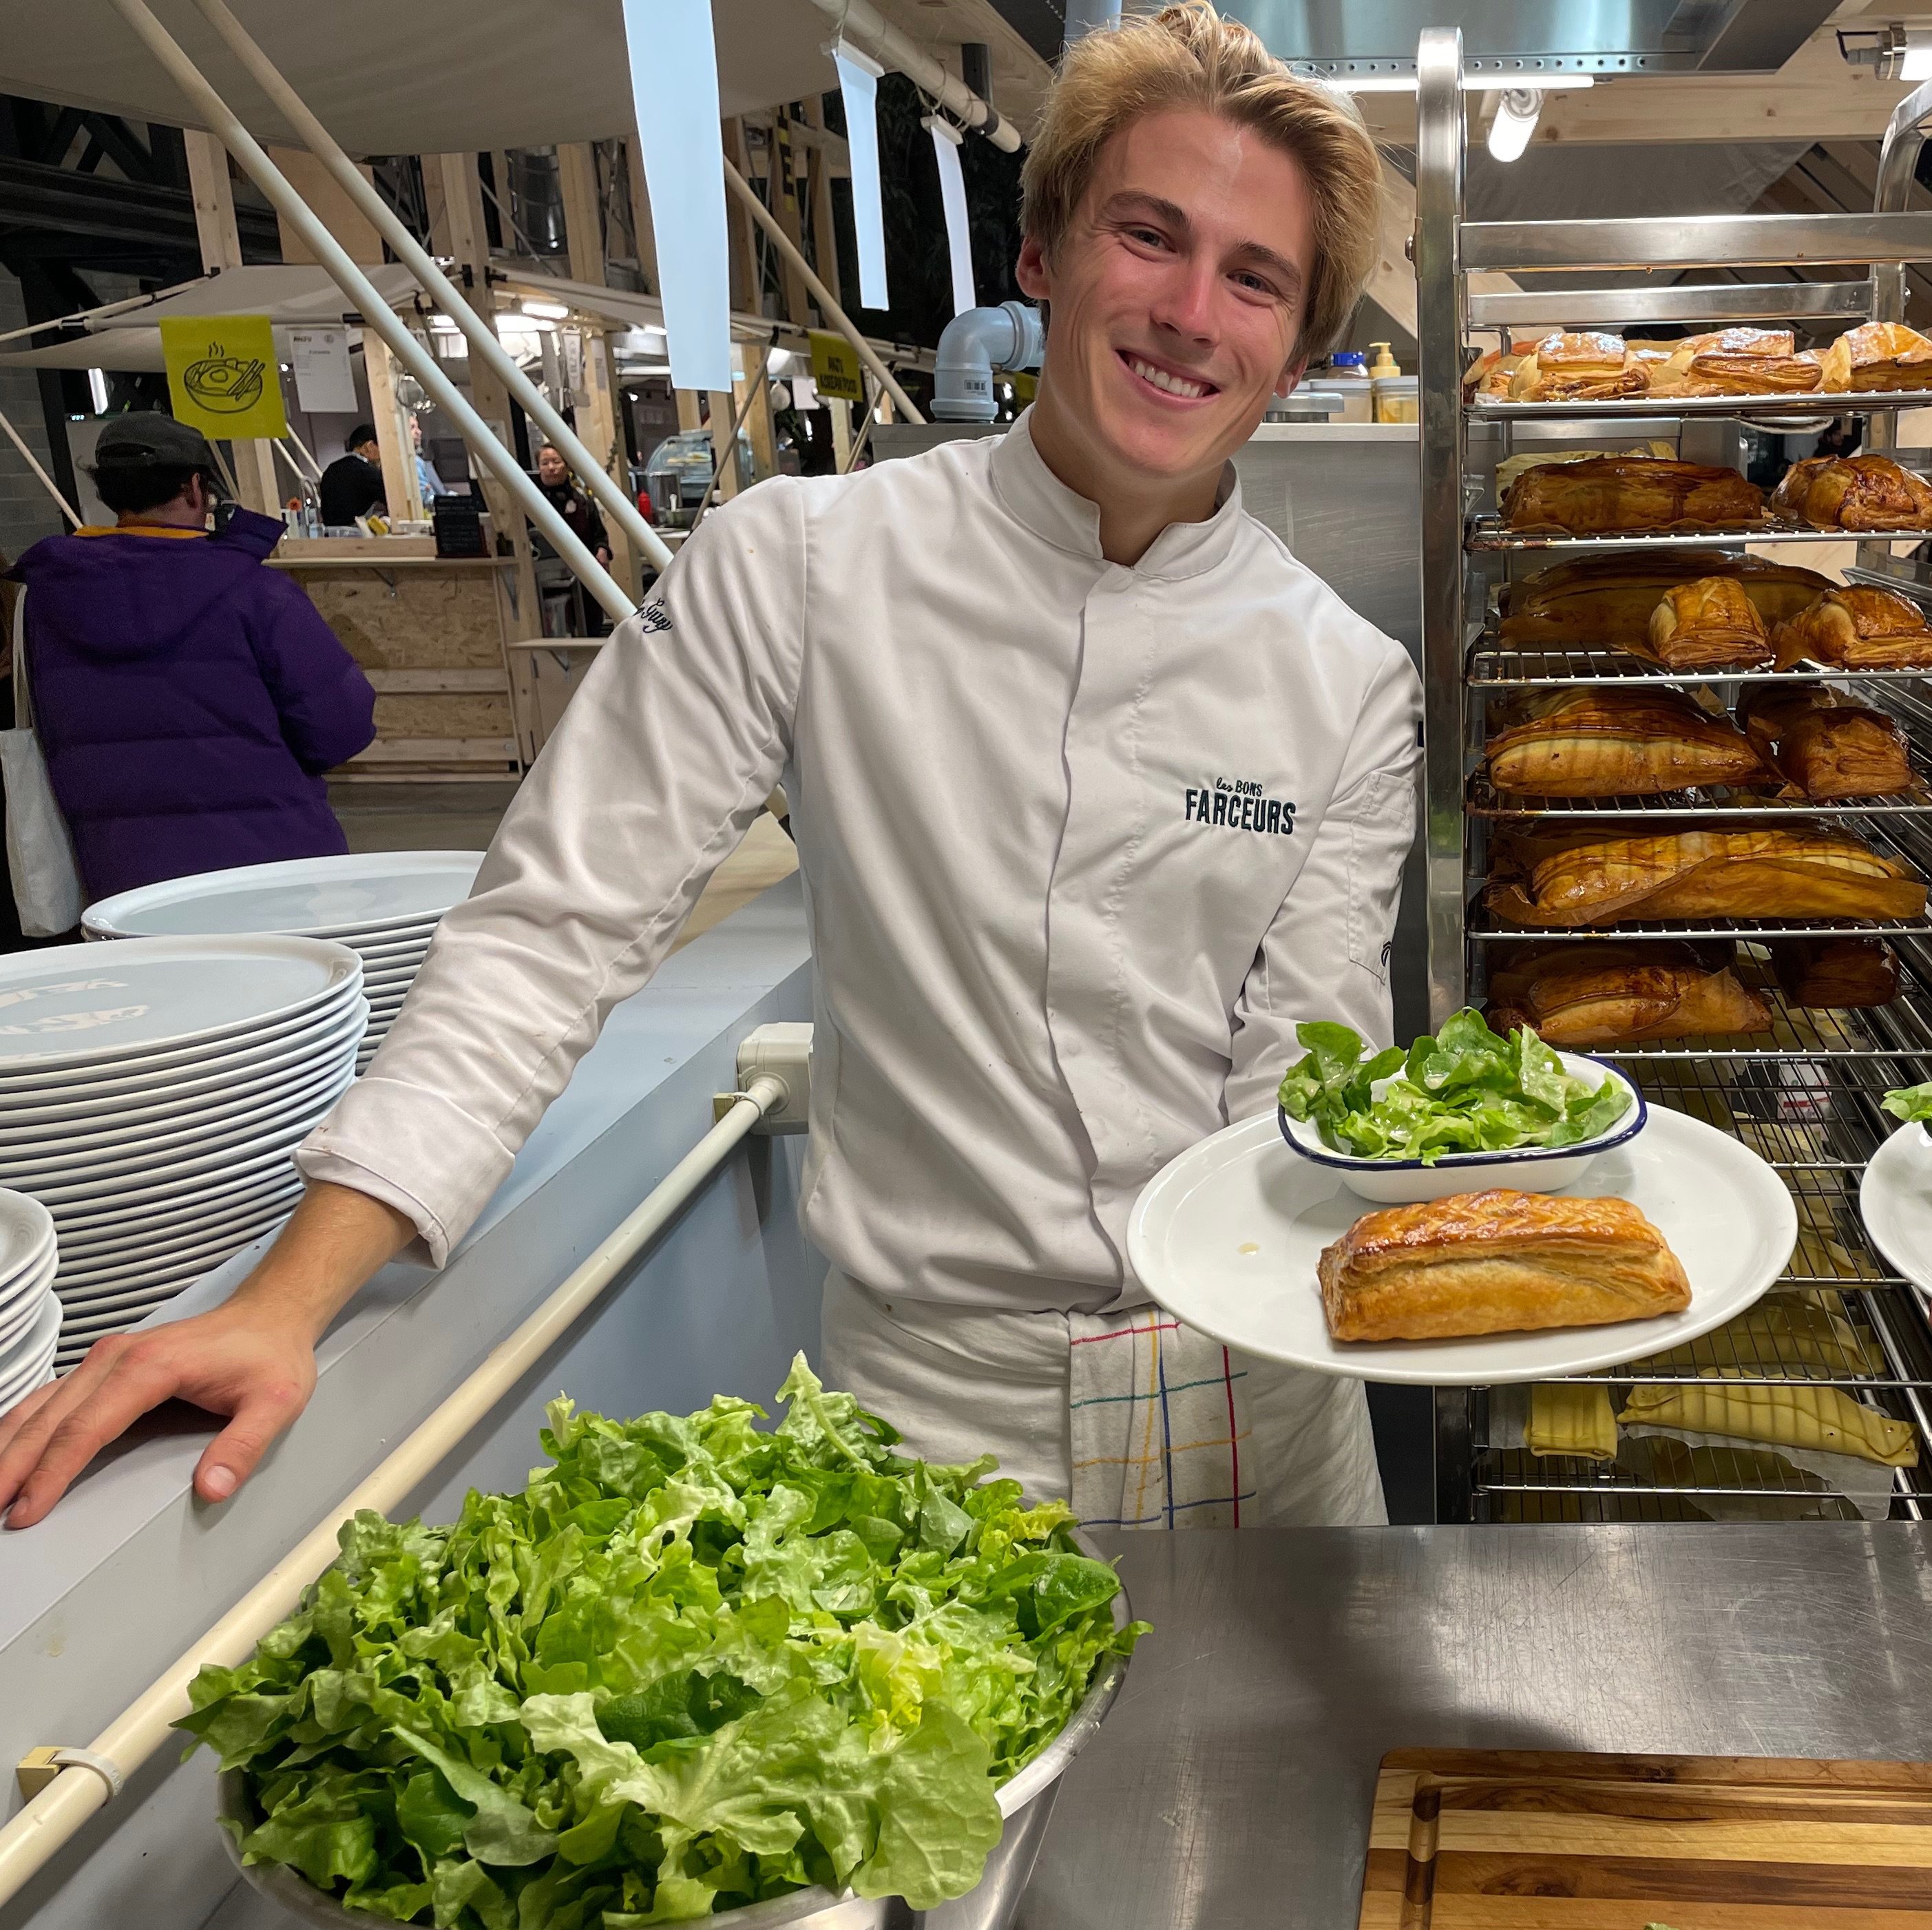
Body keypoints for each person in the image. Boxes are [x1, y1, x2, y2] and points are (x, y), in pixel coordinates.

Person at [0, 6, 1416, 1533]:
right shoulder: (803, 564)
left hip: (1266, 1386)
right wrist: (284, 1298)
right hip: (941, 1421)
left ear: (1297, 341)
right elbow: (557, 926)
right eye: (1150, 237)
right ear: (1044, 254)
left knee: (1297, 1778)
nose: (1193, 311)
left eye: (1255, 277)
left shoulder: (1342, 680)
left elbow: (1312, 1093)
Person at [7, 413, 375, 904]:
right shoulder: (254, 590)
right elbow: (340, 727)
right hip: (277, 867)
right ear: (196, 486)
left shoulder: (44, 597)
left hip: (126, 878)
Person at [530, 441, 613, 635]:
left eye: (556, 462)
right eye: (545, 463)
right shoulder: (532, 500)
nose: (551, 468)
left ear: (566, 465)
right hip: (546, 575)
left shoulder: (582, 499)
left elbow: (599, 534)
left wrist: (602, 550)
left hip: (584, 573)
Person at [317, 422, 388, 526]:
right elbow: (392, 503)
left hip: (331, 535)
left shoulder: (331, 469)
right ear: (370, 446)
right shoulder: (368, 473)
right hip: (357, 536)